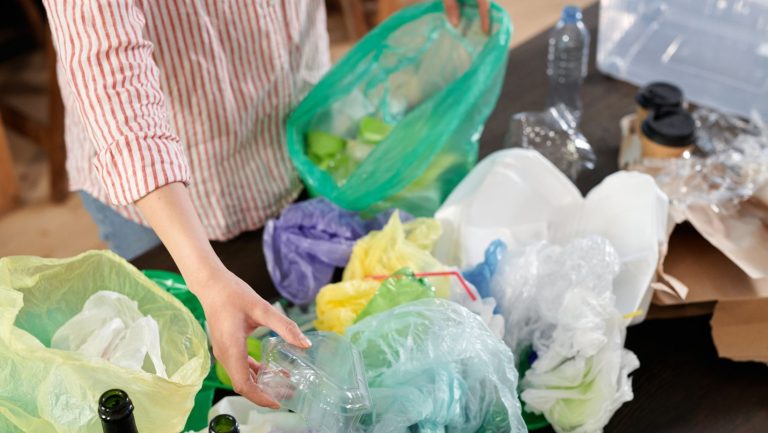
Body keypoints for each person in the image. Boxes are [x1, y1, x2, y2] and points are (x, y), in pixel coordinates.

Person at [42, 0, 490, 408]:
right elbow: (111, 75)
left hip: (291, 120)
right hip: (165, 194)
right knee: (179, 349)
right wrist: (207, 278)